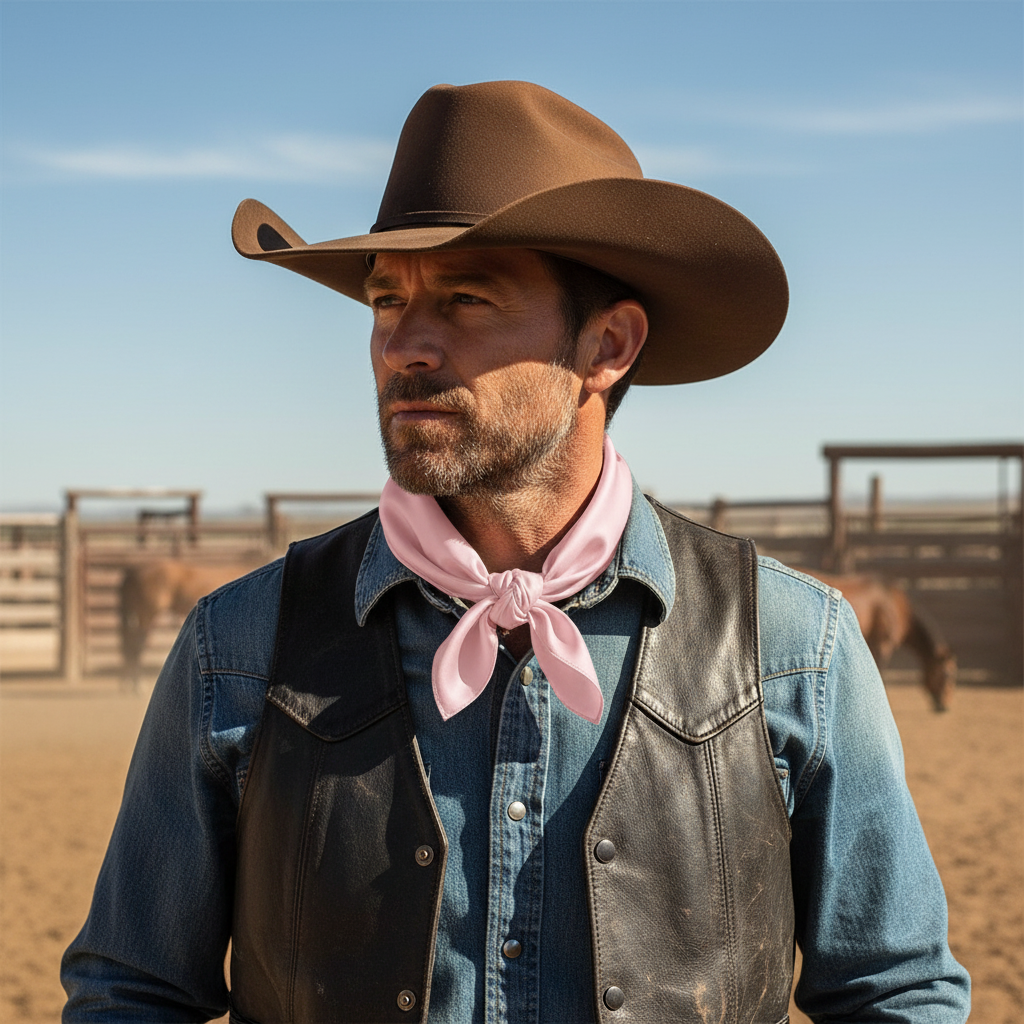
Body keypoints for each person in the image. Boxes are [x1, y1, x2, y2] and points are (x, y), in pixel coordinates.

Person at [62, 80, 969, 1023]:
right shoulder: (239, 645)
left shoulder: (794, 650)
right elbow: (132, 992)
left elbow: (895, 991)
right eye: (385, 300)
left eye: (465, 298)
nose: (404, 345)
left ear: (608, 345)